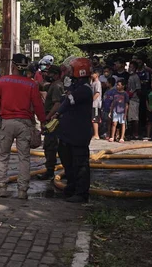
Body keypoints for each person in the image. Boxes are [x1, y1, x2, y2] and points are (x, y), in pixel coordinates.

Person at [0, 54, 46, 200]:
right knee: (24, 158)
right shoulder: (32, 84)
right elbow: (38, 105)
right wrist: (43, 121)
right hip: (24, 124)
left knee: (2, 156)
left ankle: (1, 187)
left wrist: (1, 110)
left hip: (7, 123)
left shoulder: (3, 81)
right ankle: (22, 191)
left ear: (13, 66)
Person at [53, 57, 94, 203]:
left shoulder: (85, 89)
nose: (69, 72)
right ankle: (71, 188)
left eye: (71, 69)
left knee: (80, 164)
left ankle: (81, 193)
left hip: (79, 134)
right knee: (68, 162)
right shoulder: (77, 87)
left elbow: (68, 101)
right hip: (68, 134)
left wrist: (57, 114)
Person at [37, 65, 63, 180]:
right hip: (53, 119)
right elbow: (42, 86)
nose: (48, 75)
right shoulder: (54, 85)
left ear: (56, 74)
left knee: (50, 146)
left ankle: (50, 171)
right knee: (50, 146)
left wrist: (48, 117)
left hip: (53, 121)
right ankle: (50, 169)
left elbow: (57, 104)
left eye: (50, 73)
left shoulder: (57, 86)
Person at [127, 60, 142, 139]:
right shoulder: (130, 76)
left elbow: (138, 89)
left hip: (134, 99)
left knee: (135, 118)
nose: (130, 68)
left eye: (131, 67)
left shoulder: (136, 77)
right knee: (130, 118)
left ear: (135, 68)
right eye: (129, 67)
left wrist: (133, 94)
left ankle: (135, 134)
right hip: (129, 99)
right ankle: (131, 133)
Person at [91, 70, 102, 140]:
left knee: (95, 119)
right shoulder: (93, 83)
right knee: (92, 119)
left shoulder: (98, 83)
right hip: (92, 104)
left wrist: (91, 100)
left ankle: (96, 134)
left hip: (96, 104)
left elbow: (97, 93)